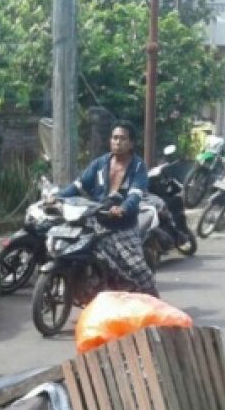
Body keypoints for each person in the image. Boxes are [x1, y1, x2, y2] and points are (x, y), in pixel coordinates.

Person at [55, 121, 156, 295]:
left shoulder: (138, 167)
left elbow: (135, 195)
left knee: (139, 270)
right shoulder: (100, 164)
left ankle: (154, 301)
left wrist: (123, 208)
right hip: (98, 222)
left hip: (123, 226)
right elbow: (79, 186)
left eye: (123, 138)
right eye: (115, 138)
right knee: (73, 250)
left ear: (131, 143)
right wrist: (57, 197)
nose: (118, 142)